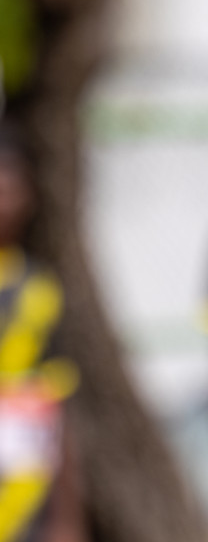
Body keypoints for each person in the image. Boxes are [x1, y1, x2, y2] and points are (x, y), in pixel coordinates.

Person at [0, 130, 85, 542]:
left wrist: (66, 518)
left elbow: (56, 401)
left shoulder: (40, 289)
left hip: (27, 499)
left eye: (10, 191)